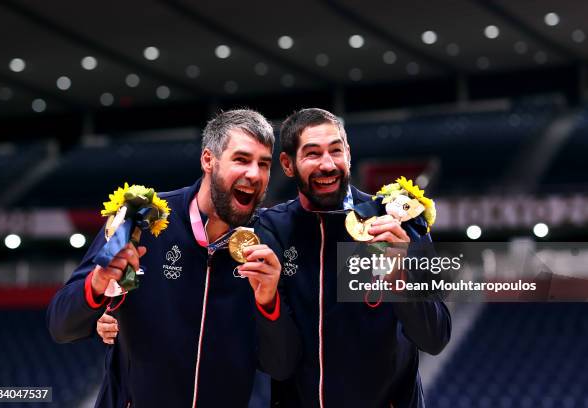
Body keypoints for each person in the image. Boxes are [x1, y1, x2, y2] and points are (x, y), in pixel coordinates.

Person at [47, 109, 300, 407]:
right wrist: (99, 283)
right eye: (242, 160)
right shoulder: (139, 219)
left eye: (264, 164)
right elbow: (61, 325)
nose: (255, 174)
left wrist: (269, 302)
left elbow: (281, 366)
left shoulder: (266, 241)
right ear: (208, 160)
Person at [255, 108, 451, 407]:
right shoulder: (273, 230)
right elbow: (279, 364)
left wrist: (401, 279)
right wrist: (267, 302)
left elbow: (435, 338)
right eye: (312, 154)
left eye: (336, 150)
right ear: (288, 164)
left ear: (348, 153)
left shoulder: (398, 219)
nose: (328, 164)